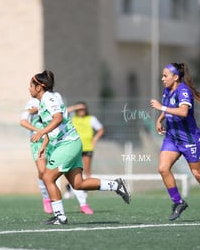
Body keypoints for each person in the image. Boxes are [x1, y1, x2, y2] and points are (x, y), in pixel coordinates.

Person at [29, 70, 130, 225]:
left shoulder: (50, 98)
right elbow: (52, 128)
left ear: (39, 87)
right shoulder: (42, 104)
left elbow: (58, 118)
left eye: (31, 85)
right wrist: (44, 145)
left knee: (47, 177)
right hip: (68, 143)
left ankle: (60, 216)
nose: (29, 88)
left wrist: (41, 132)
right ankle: (116, 184)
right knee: (78, 184)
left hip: (67, 144)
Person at [150, 63, 200, 222]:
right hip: (172, 138)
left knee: (198, 174)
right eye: (162, 75)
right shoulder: (166, 91)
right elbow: (169, 108)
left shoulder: (183, 91)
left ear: (175, 77)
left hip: (188, 139)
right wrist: (159, 119)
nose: (162, 79)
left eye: (165, 76)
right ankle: (178, 202)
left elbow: (183, 112)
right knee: (163, 169)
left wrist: (161, 107)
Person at [63, 102, 105, 215]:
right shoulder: (72, 117)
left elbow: (101, 129)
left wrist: (95, 139)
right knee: (72, 170)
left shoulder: (91, 119)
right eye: (79, 109)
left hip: (87, 147)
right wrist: (76, 106)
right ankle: (69, 187)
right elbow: (63, 112)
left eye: (83, 109)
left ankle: (84, 189)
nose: (81, 111)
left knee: (86, 170)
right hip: (74, 147)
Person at [20, 97, 53, 214]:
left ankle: (81, 202)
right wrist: (39, 131)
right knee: (42, 171)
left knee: (53, 172)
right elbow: (23, 121)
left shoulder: (53, 98)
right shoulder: (32, 102)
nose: (30, 89)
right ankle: (47, 198)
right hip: (37, 141)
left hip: (53, 140)